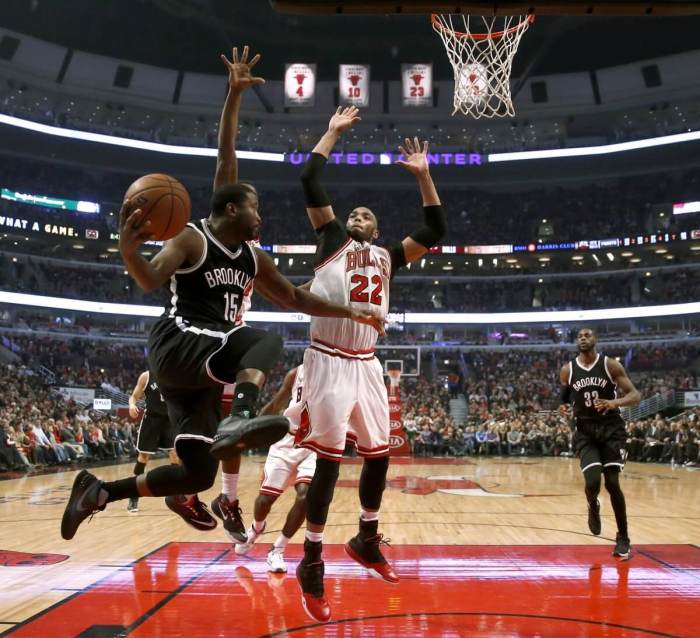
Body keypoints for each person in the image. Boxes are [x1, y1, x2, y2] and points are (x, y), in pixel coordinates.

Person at [59, 119, 383, 543]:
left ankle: (99, 492)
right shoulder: (193, 237)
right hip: (179, 341)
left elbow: (295, 299)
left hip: (202, 369)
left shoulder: (253, 257)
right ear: (232, 209)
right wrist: (127, 249)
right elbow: (150, 276)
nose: (261, 216)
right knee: (263, 340)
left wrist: (350, 312)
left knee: (197, 472)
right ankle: (242, 418)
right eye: (255, 208)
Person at [294, 106, 446, 622]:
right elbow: (310, 177)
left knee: (379, 455)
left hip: (367, 363)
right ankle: (311, 561)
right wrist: (333, 132)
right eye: (353, 214)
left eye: (366, 216)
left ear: (378, 229)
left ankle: (364, 537)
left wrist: (424, 175)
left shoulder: (388, 257)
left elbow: (435, 226)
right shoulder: (332, 239)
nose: (357, 217)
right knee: (329, 463)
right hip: (329, 359)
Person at [559, 327, 641, 560]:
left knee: (613, 483)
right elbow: (564, 397)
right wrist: (564, 406)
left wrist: (615, 403)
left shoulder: (610, 365)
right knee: (593, 481)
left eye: (588, 335)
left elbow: (635, 395)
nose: (583, 338)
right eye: (580, 336)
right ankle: (592, 505)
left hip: (611, 430)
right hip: (585, 430)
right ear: (576, 342)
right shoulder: (568, 370)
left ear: (595, 340)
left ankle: (623, 537)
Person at [234, 365, 316, 574]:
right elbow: (277, 402)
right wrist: (253, 428)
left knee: (306, 497)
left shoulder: (342, 374)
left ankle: (277, 549)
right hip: (286, 440)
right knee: (264, 501)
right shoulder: (297, 373)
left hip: (314, 445)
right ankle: (256, 528)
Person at [126, 369, 179, 515]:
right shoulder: (146, 376)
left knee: (175, 455)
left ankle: (175, 495)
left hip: (169, 420)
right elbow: (134, 397)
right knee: (143, 457)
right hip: (151, 420)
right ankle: (134, 497)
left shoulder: (174, 374)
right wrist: (131, 405)